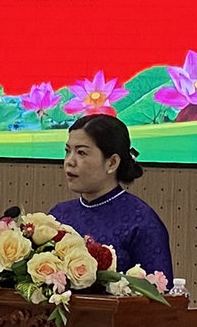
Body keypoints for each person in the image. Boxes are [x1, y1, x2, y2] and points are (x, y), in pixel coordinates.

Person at [49, 114, 173, 280]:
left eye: (81, 152)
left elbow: (160, 291)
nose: (69, 161)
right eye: (67, 151)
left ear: (112, 163)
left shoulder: (141, 222)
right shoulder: (58, 216)